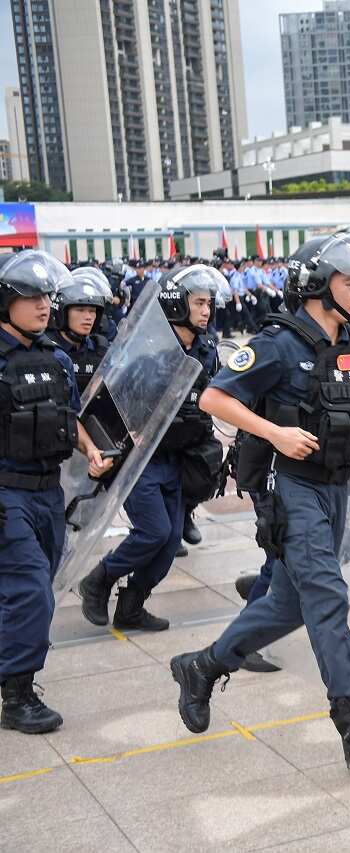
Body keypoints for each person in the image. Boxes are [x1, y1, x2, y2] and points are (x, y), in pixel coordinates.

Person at [168, 235, 350, 771]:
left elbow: (349, 404)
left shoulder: (349, 344)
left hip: (335, 486)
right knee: (327, 595)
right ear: (317, 283)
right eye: (349, 282)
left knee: (285, 606)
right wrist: (276, 433)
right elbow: (215, 397)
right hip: (294, 488)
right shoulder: (277, 343)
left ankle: (203, 667)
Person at [1, 251, 113, 733]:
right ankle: (18, 694)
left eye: (48, 296)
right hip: (8, 493)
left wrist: (90, 449)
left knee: (33, 589)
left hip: (49, 494)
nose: (44, 305)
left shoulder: (57, 359)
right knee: (30, 593)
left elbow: (73, 418)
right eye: (31, 297)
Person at [78, 265, 223, 632]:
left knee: (170, 539)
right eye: (199, 303)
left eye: (209, 303)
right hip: (143, 459)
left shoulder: (207, 352)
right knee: (154, 532)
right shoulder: (150, 350)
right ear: (177, 305)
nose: (207, 311)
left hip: (179, 456)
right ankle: (99, 579)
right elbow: (116, 399)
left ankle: (132, 605)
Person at [50, 267, 112, 393]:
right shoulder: (47, 350)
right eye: (80, 310)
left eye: (92, 311)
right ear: (63, 312)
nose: (88, 317)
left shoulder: (100, 349)